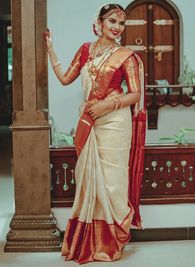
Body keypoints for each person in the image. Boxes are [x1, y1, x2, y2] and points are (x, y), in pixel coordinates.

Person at [45, 3, 146, 264]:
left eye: (121, 23)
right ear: (99, 23)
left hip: (114, 122)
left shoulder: (125, 56)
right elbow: (66, 78)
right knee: (89, 177)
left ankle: (111, 241)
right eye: (112, 21)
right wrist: (50, 50)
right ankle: (88, 240)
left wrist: (107, 105)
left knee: (112, 181)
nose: (117, 28)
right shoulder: (86, 50)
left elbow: (135, 94)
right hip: (91, 119)